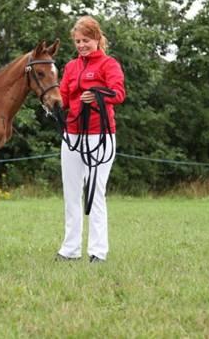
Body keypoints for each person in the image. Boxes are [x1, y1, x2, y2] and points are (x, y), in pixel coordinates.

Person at [56, 15, 125, 263]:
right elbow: (63, 96)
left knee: (95, 192)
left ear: (96, 38)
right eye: (77, 41)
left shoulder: (109, 65)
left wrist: (96, 95)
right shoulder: (71, 67)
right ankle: (70, 249)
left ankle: (98, 251)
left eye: (85, 40)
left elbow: (118, 93)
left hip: (99, 135)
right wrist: (51, 104)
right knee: (71, 193)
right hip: (72, 134)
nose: (81, 45)